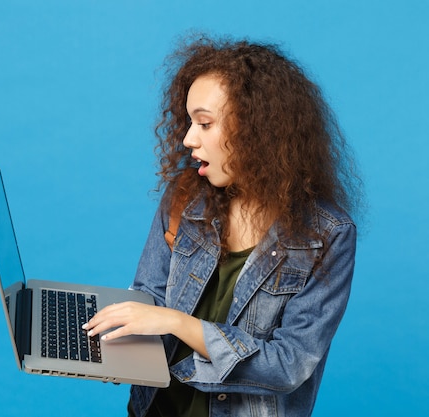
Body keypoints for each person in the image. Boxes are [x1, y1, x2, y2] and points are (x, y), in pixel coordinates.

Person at [83, 35, 362, 417]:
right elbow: (150, 295)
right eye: (189, 122)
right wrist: (113, 346)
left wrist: (177, 324)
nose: (187, 139)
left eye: (205, 123)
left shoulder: (327, 235)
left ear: (257, 129)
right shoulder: (184, 197)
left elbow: (288, 364)